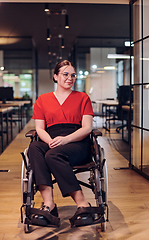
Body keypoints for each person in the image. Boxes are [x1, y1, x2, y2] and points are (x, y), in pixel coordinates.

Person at [27, 60, 95, 227]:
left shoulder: (83, 98)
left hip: (77, 142)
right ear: (55, 77)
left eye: (73, 75)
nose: (70, 78)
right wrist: (50, 141)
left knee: (53, 154)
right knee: (34, 147)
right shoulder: (43, 100)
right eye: (65, 74)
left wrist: (66, 139)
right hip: (52, 139)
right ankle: (48, 204)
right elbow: (39, 129)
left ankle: (82, 203)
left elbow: (87, 128)